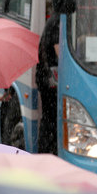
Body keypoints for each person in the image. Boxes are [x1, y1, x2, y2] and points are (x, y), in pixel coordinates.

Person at [36, 14, 60, 155]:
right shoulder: (57, 22)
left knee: (49, 118)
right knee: (50, 119)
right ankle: (47, 153)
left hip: (46, 78)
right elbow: (59, 53)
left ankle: (46, 152)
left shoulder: (54, 21)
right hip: (49, 80)